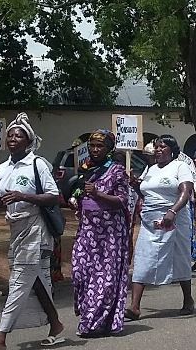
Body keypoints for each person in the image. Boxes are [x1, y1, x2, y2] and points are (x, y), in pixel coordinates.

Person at [0, 113, 65, 350]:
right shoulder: (3, 168)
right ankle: (55, 323)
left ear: (29, 141)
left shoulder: (37, 164)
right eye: (10, 135)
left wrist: (24, 196)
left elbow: (54, 196)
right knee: (35, 280)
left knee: (18, 281)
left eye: (19, 135)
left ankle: (1, 337)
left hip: (36, 229)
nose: (13, 138)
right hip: (16, 229)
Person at [68, 130, 131, 337]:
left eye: (100, 146)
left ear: (109, 148)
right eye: (92, 146)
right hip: (88, 230)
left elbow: (122, 200)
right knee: (80, 273)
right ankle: (90, 316)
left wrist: (98, 193)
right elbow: (78, 193)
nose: (95, 150)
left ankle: (95, 324)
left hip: (110, 233)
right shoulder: (85, 168)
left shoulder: (117, 170)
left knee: (105, 279)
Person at [127, 135, 195, 320]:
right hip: (150, 221)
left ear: (172, 150)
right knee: (143, 257)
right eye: (156, 147)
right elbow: (144, 191)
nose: (157, 149)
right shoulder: (150, 169)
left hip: (174, 219)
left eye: (162, 146)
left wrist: (172, 211)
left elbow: (186, 191)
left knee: (179, 257)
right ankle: (134, 306)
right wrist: (134, 184)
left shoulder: (180, 166)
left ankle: (188, 299)